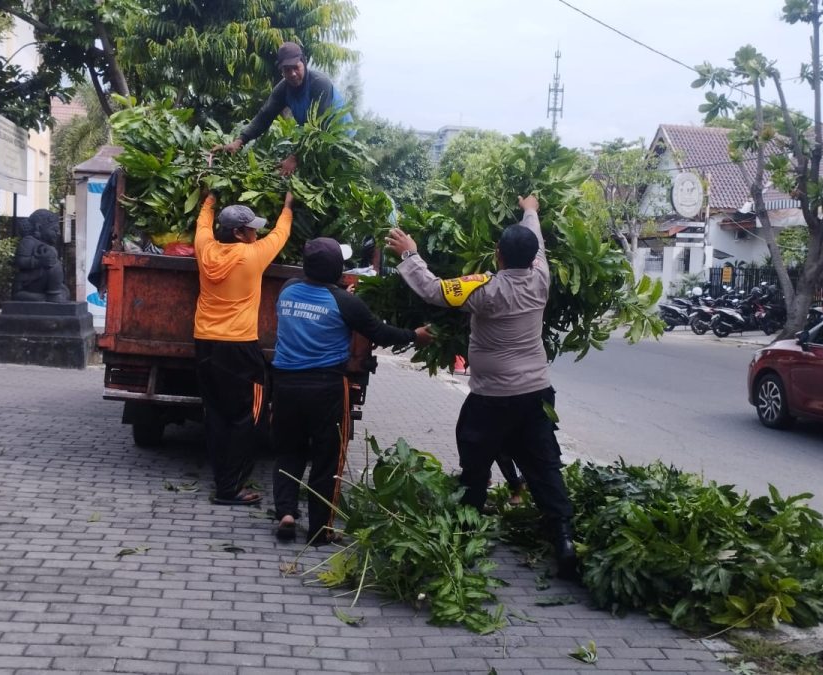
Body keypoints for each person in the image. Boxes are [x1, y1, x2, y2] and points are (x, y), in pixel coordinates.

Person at [384, 195, 578, 579]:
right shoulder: (542, 278)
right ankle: (564, 538)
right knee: (544, 465)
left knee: (475, 465)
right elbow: (535, 238)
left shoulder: (485, 290)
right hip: (536, 394)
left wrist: (410, 254)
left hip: (491, 399)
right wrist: (531, 210)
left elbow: (434, 290)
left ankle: (465, 537)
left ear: (497, 256)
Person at [271, 238, 432, 544]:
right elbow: (380, 333)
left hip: (285, 385)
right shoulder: (347, 304)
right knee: (327, 458)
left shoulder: (287, 290)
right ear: (336, 268)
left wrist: (342, 296)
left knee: (288, 451)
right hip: (326, 388)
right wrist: (415, 335)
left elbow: (317, 302)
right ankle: (320, 530)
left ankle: (286, 513)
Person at [195, 191, 295, 506]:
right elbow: (281, 233)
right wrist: (288, 206)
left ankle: (223, 481)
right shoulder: (253, 255)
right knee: (246, 419)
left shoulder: (205, 250)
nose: (257, 233)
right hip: (239, 348)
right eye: (252, 228)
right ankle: (230, 489)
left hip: (205, 343)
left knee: (216, 415)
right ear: (239, 233)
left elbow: (201, 225)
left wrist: (209, 198)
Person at [218, 41, 352, 176]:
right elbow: (264, 116)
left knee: (327, 177)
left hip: (340, 137)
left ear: (303, 63)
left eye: (296, 67)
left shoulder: (319, 83)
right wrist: (239, 141)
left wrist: (295, 157)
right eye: (287, 70)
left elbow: (319, 126)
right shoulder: (283, 89)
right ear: (281, 71)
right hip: (312, 137)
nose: (293, 73)